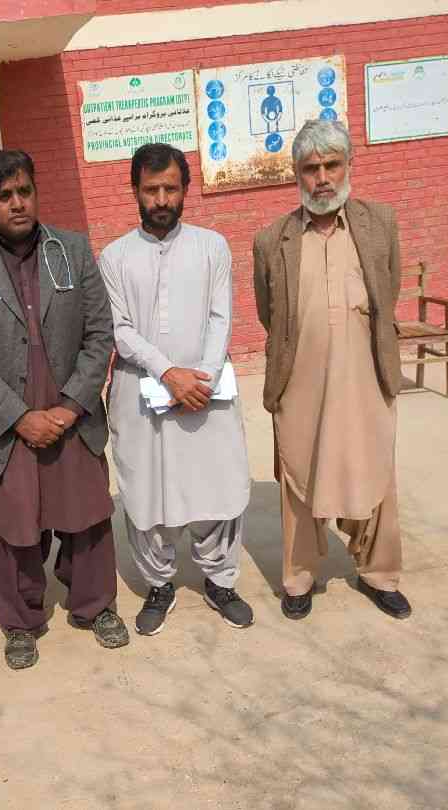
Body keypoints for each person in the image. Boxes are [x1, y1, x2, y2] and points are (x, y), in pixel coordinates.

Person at [0, 149, 129, 670]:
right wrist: (19, 417)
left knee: (87, 517)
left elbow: (100, 333)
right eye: (4, 195)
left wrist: (69, 408)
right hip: (5, 423)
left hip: (71, 416)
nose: (18, 203)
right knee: (10, 525)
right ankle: (21, 622)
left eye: (25, 191)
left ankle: (95, 606)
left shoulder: (73, 249)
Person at [252, 120, 412, 621]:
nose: (322, 178)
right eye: (311, 168)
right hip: (301, 381)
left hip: (364, 376)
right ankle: (299, 579)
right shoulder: (271, 240)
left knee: (374, 470)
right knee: (300, 476)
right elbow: (269, 313)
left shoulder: (379, 223)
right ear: (296, 174)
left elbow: (389, 291)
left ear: (348, 166)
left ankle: (379, 574)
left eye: (331, 165)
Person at [99, 143, 254, 636]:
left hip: (207, 390)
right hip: (141, 390)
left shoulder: (212, 247)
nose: (161, 199)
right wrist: (170, 373)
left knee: (217, 483)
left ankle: (220, 581)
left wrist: (200, 378)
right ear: (135, 191)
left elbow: (221, 316)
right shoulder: (115, 256)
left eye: (170, 188)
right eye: (151, 190)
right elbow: (120, 329)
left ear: (186, 189)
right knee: (147, 490)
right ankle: (159, 584)